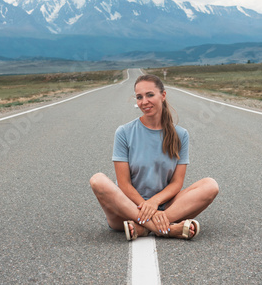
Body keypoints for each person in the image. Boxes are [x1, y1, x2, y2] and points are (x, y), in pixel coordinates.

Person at [90, 74, 219, 240]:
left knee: (210, 185)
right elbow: (123, 184)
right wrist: (145, 205)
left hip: (164, 207)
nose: (144, 102)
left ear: (163, 95)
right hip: (126, 209)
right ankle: (165, 229)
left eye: (150, 95)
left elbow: (176, 183)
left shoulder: (181, 135)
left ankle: (143, 229)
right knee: (97, 180)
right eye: (139, 97)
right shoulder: (124, 132)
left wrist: (154, 202)